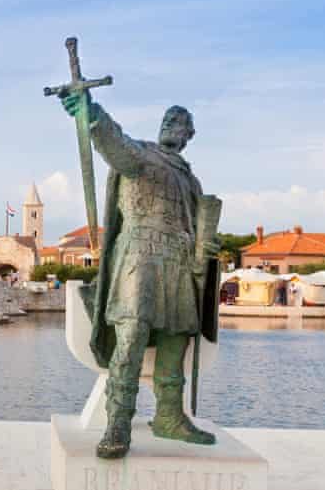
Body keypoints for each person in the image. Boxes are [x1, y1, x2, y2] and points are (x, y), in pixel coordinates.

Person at [59, 91, 219, 458]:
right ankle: (117, 424)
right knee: (130, 337)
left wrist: (206, 244)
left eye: (177, 123)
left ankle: (169, 417)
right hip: (141, 257)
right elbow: (113, 143)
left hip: (179, 263)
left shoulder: (190, 180)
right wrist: (92, 114)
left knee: (176, 337)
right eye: (166, 120)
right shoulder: (141, 155)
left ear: (188, 135)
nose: (168, 125)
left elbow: (193, 224)